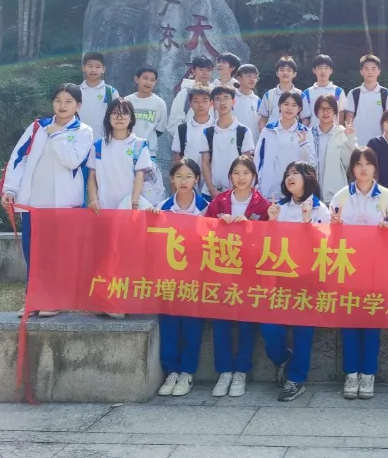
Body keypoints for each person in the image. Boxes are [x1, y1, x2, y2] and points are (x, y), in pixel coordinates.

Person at [0, 83, 93, 318]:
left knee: (58, 253)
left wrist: (57, 134)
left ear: (78, 106)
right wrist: (10, 188)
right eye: (58, 100)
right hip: (33, 204)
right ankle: (32, 300)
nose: (62, 106)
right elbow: (18, 158)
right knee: (34, 253)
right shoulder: (37, 127)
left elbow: (72, 161)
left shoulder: (83, 131)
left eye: (68, 101)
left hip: (64, 205)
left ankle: (54, 300)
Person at [328, 146, 388, 400]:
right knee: (349, 325)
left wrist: (386, 231)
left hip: (375, 272)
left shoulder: (386, 197)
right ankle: (351, 374)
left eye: (368, 163)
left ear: (375, 167)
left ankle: (368, 374)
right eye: (358, 164)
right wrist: (335, 227)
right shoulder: (341, 197)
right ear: (352, 168)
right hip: (348, 269)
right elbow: (328, 237)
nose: (363, 168)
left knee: (371, 324)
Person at [261, 161, 331, 402]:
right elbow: (267, 246)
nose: (290, 177)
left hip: (309, 279)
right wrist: (270, 223)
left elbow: (326, 247)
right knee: (270, 328)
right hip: (282, 278)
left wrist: (308, 223)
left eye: (295, 173)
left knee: (303, 332)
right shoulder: (278, 208)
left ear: (307, 178)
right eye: (287, 174)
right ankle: (283, 359)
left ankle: (296, 379)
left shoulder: (320, 209)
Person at [204, 155, 271, 398]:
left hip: (250, 273)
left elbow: (271, 238)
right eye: (236, 173)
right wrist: (218, 222)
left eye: (246, 173)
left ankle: (241, 370)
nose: (241, 178)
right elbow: (202, 231)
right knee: (221, 322)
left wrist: (250, 228)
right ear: (230, 176)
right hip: (222, 271)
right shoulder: (219, 202)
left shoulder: (263, 205)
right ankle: (224, 371)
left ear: (254, 176)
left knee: (246, 323)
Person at [151, 158, 210, 398]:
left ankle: (187, 372)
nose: (183, 181)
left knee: (192, 327)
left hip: (196, 279)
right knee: (169, 325)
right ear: (171, 180)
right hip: (169, 279)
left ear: (197, 179)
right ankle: (171, 371)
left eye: (188, 176)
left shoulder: (207, 208)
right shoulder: (162, 208)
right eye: (179, 176)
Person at [87, 97, 152, 212]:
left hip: (128, 208)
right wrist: (93, 199)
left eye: (124, 113)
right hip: (103, 208)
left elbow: (140, 176)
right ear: (108, 117)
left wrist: (134, 202)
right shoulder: (98, 146)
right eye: (114, 113)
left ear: (131, 118)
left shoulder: (139, 145)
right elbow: (92, 176)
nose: (119, 117)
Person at [255, 91, 315, 200]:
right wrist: (257, 183)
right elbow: (258, 158)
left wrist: (304, 145)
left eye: (294, 105)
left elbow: (311, 163)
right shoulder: (269, 130)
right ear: (279, 106)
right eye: (286, 104)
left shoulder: (305, 132)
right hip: (269, 190)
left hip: (295, 191)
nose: (289, 108)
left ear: (300, 109)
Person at [201, 84, 254, 198]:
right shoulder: (207, 132)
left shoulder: (244, 131)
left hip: (236, 192)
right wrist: (212, 190)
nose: (222, 102)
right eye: (218, 99)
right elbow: (205, 163)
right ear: (212, 103)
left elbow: (246, 165)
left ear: (233, 101)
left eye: (226, 98)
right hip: (210, 192)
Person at [311, 94, 356, 201]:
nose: (325, 112)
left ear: (335, 112)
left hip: (335, 194)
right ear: (316, 112)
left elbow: (348, 163)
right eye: (321, 109)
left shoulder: (342, 133)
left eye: (329, 109)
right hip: (312, 195)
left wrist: (350, 139)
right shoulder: (310, 134)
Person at [343, 54, 388, 143]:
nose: (370, 72)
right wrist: (350, 139)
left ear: (379, 71)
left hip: (379, 143)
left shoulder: (386, 94)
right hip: (357, 143)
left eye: (373, 69)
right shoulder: (354, 93)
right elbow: (349, 118)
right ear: (361, 72)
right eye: (366, 69)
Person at [123, 66, 168, 153]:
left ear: (156, 82)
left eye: (152, 80)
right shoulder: (127, 101)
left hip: (149, 151)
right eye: (145, 78)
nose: (148, 82)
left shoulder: (160, 104)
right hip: (127, 149)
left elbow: (160, 129)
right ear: (137, 79)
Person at [168, 55, 214, 131]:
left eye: (208, 70)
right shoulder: (185, 93)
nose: (205, 73)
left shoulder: (214, 93)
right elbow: (173, 123)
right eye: (201, 69)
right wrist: (188, 136)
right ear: (193, 71)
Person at [171, 86, 214, 167]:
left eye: (205, 101)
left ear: (211, 103)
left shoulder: (218, 128)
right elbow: (177, 158)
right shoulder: (183, 129)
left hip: (213, 174)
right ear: (190, 104)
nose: (200, 105)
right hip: (189, 173)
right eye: (196, 101)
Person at [79, 51, 118, 140]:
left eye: (98, 67)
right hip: (79, 141)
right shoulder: (76, 91)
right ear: (83, 68)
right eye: (90, 66)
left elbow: (117, 117)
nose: (93, 70)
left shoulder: (111, 92)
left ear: (103, 69)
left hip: (103, 141)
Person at [258, 55, 302, 129]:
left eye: (289, 70)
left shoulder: (300, 95)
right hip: (272, 133)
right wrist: (265, 134)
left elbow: (305, 119)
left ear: (294, 74)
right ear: (277, 73)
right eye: (282, 70)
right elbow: (263, 119)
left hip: (293, 134)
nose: (285, 73)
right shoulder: (269, 95)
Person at [301, 54, 345, 126]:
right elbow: (305, 118)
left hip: (334, 131)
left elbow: (341, 114)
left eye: (326, 68)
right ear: (314, 70)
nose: (323, 71)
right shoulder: (307, 93)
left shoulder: (338, 91)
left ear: (331, 70)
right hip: (313, 132)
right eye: (319, 68)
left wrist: (340, 131)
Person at [233, 63, 261, 136]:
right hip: (233, 139)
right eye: (249, 76)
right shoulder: (231, 97)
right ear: (239, 78)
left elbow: (260, 122)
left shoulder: (257, 100)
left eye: (255, 77)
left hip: (253, 140)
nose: (252, 79)